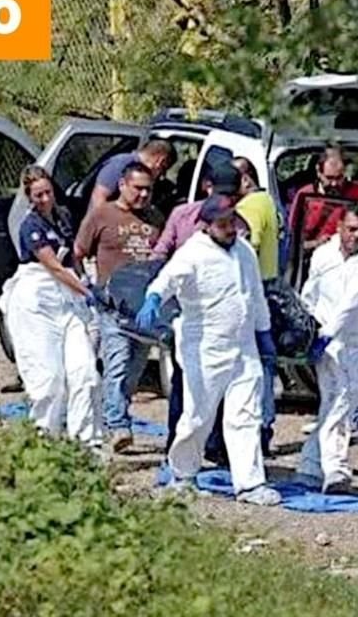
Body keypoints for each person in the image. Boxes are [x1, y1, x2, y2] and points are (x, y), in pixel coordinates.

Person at [136, 194, 281, 506]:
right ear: (208, 225)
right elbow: (166, 281)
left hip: (243, 347)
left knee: (246, 415)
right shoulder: (192, 254)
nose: (231, 229)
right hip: (205, 349)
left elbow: (255, 295)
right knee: (198, 416)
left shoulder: (244, 251)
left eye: (233, 222)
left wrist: (264, 332)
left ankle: (249, 483)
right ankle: (183, 474)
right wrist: (153, 300)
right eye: (224, 224)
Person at [0, 165, 104, 446]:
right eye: (38, 195)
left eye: (48, 192)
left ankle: (87, 443)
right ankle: (44, 441)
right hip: (38, 298)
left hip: (67, 298)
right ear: (29, 197)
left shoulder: (63, 217)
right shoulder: (30, 226)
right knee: (49, 382)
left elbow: (72, 257)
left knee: (85, 374)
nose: (45, 199)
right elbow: (54, 267)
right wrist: (88, 291)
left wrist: (84, 277)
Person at [151, 163, 246, 463]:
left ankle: (218, 449)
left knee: (225, 393)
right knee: (186, 390)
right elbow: (162, 253)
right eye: (221, 193)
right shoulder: (183, 216)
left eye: (233, 195)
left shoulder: (239, 225)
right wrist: (155, 295)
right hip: (187, 315)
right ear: (207, 186)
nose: (227, 201)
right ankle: (176, 451)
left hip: (225, 320)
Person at [75, 162, 164, 452]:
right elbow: (77, 252)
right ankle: (117, 425)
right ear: (123, 185)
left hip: (143, 310)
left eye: (148, 189)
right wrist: (87, 286)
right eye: (137, 188)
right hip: (111, 308)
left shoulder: (154, 218)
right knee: (117, 365)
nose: (143, 195)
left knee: (134, 370)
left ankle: (111, 414)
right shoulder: (103, 215)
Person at [296, 205, 358, 493]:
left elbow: (353, 300)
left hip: (353, 344)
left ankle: (309, 465)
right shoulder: (323, 255)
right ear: (339, 226)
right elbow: (309, 293)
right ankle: (336, 470)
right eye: (351, 228)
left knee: (337, 403)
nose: (355, 236)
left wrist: (328, 334)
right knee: (338, 403)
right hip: (325, 342)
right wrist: (309, 329)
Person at [232, 156, 281, 455]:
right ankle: (263, 427)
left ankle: (258, 429)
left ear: (246, 179)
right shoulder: (267, 201)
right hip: (269, 284)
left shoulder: (250, 206)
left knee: (253, 366)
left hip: (254, 291)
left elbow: (248, 246)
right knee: (263, 363)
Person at [287, 147, 358, 252]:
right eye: (329, 178)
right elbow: (292, 238)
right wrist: (316, 244)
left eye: (339, 178)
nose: (334, 184)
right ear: (319, 172)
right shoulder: (305, 194)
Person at [88, 140, 176, 212]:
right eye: (164, 169)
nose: (161, 175)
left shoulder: (142, 173)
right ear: (160, 161)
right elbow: (99, 198)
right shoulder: (120, 164)